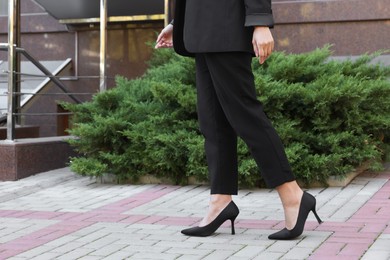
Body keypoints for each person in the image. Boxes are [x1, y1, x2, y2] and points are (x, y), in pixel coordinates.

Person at [155, 0, 323, 240]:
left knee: (246, 117)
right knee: (212, 123)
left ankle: (293, 196)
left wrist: (260, 21)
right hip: (201, 29)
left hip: (226, 27)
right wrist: (178, 21)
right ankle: (220, 200)